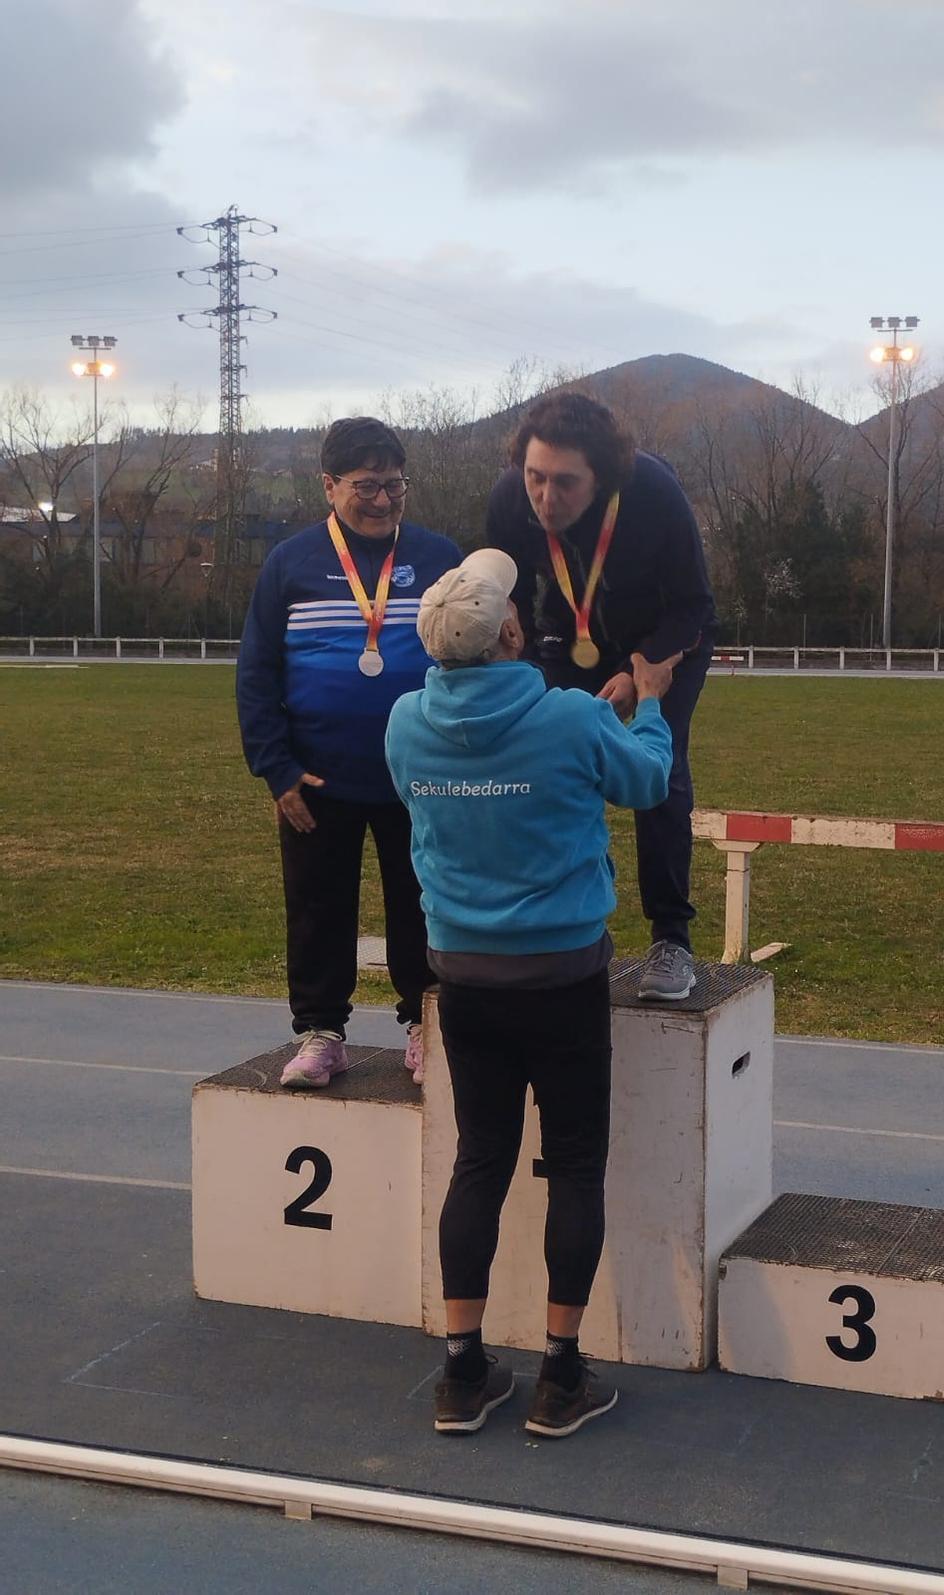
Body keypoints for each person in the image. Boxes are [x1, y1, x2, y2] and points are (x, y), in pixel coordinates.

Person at [384, 548, 676, 1438]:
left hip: (464, 978)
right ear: (512, 631)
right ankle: (559, 1375)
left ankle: (463, 1371)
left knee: (481, 1161)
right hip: (562, 979)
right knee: (575, 1164)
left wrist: (581, 722)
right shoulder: (563, 721)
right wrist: (652, 703)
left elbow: (484, 772)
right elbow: (646, 780)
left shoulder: (404, 721)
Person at [236, 416, 459, 1088]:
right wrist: (276, 769)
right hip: (316, 777)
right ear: (329, 485)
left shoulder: (440, 556)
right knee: (315, 905)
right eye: (366, 486)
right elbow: (257, 673)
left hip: (417, 777)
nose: (384, 499)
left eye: (395, 485)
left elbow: (470, 657)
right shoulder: (291, 563)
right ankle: (321, 1031)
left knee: (423, 901)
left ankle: (424, 1024)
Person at [485, 391, 715, 1001]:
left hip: (664, 637)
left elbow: (695, 604)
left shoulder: (654, 496)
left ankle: (671, 940)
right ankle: (553, 923)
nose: (546, 498)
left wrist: (643, 671)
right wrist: (515, 660)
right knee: (546, 756)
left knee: (656, 768)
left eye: (565, 483)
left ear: (603, 478)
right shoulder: (512, 496)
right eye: (536, 477)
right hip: (570, 631)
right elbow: (504, 594)